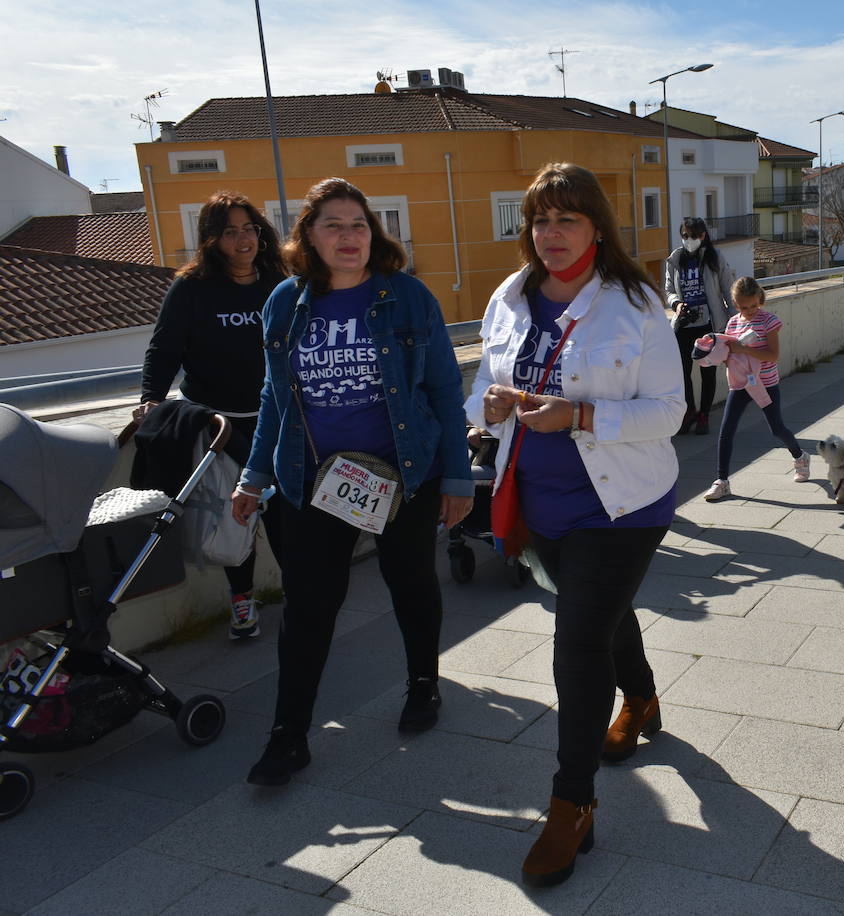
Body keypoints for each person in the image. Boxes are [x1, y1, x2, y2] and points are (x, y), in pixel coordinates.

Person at [466, 163, 683, 887]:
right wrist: (489, 408)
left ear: (597, 227)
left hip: (621, 505)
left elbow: (668, 411)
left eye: (567, 219)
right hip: (538, 501)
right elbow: (479, 389)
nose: (550, 234)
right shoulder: (510, 296)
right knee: (599, 613)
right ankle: (643, 696)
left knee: (577, 641)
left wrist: (582, 414)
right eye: (540, 219)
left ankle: (572, 804)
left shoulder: (635, 303)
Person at [229, 178, 474, 786]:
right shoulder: (283, 303)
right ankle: (288, 735)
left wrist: (459, 478)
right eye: (333, 225)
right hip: (313, 482)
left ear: (374, 233)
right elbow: (273, 397)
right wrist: (254, 477)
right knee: (309, 605)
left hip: (405, 473)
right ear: (308, 236)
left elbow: (445, 391)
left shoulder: (408, 297)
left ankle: (423, 684)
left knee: (410, 580)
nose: (348, 236)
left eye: (358, 224)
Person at [135, 191, 286, 639]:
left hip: (276, 420)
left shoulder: (278, 282)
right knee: (236, 513)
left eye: (249, 230)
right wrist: (151, 398)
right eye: (229, 232)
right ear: (212, 240)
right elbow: (164, 348)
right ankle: (242, 602)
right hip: (220, 427)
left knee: (284, 512)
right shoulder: (192, 287)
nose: (242, 240)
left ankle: (303, 596)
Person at [703, 276, 809, 502]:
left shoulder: (768, 321)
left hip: (766, 383)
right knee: (726, 431)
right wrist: (720, 355)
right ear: (735, 303)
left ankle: (800, 457)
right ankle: (722, 481)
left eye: (753, 305)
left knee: (777, 429)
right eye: (744, 307)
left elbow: (773, 355)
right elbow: (730, 354)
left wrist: (744, 348)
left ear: (760, 299)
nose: (749, 311)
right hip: (740, 384)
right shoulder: (732, 323)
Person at [664, 217, 736, 436]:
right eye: (685, 235)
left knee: (707, 371)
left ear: (703, 236)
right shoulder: (675, 259)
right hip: (685, 324)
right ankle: (690, 411)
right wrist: (677, 304)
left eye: (694, 235)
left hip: (709, 323)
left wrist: (734, 325)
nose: (689, 240)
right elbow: (668, 289)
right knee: (682, 372)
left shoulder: (714, 258)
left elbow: (728, 289)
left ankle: (704, 414)